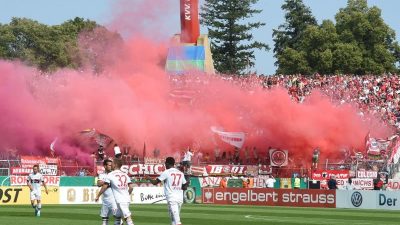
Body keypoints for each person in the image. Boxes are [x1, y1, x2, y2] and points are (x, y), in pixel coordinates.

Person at [147, 157, 189, 225]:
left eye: (165, 163)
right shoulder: (180, 173)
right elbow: (184, 187)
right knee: (173, 220)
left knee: (177, 221)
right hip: (180, 199)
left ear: (167, 163)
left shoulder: (166, 172)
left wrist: (148, 178)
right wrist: (187, 183)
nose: (165, 165)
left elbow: (155, 182)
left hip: (172, 198)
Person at [96, 158, 134, 225]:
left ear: (115, 165)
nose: (111, 165)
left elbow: (104, 186)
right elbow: (131, 187)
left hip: (119, 200)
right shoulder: (125, 174)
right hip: (123, 199)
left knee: (128, 218)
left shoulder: (111, 175)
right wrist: (127, 194)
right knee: (118, 218)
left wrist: (98, 195)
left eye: (112, 163)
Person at [97, 159, 120, 225]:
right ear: (105, 166)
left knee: (118, 219)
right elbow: (98, 184)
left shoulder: (114, 174)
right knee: (104, 219)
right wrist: (107, 181)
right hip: (105, 200)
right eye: (109, 165)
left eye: (111, 165)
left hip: (114, 200)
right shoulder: (101, 175)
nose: (111, 166)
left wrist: (104, 182)